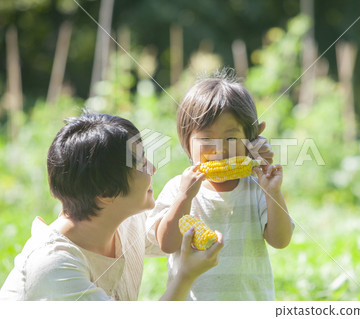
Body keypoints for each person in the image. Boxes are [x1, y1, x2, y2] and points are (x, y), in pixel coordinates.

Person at [0, 114, 224, 300]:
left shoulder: (126, 222)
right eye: (141, 163)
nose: (153, 169)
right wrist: (185, 275)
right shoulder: (54, 267)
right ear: (106, 192)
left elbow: (173, 235)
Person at [150, 70, 294, 300]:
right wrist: (184, 198)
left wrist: (272, 191)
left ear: (250, 142)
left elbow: (281, 240)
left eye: (230, 138)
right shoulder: (178, 187)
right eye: (206, 139)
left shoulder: (255, 187)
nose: (219, 149)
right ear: (187, 143)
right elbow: (167, 244)